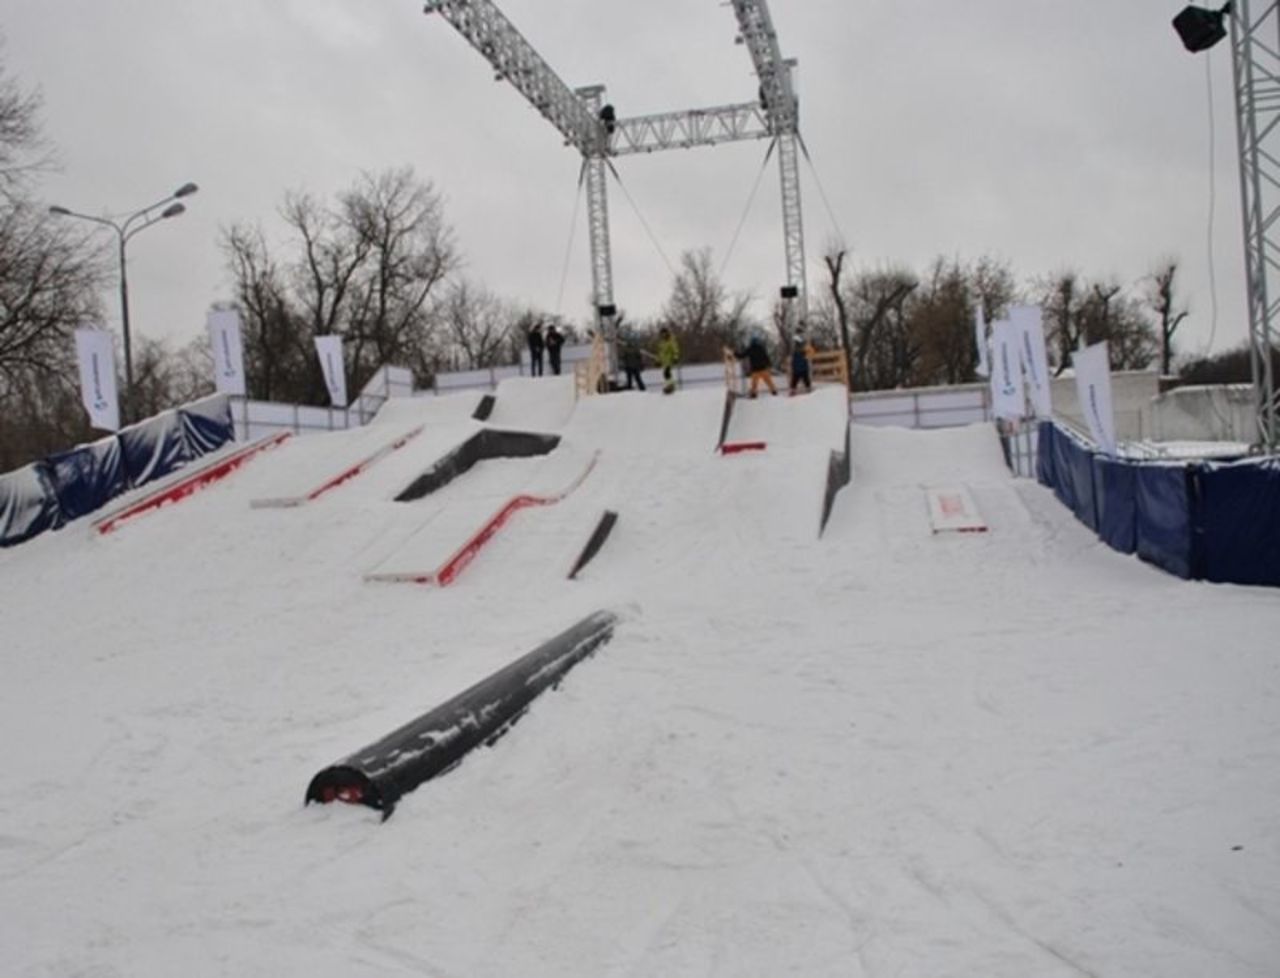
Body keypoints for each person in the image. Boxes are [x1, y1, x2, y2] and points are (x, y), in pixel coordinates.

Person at [729, 332, 778, 397]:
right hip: (762, 368)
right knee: (767, 381)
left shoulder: (751, 349)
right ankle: (773, 391)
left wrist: (735, 353)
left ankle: (754, 393)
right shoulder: (760, 348)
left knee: (755, 383)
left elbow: (742, 355)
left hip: (756, 369)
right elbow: (766, 357)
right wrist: (768, 364)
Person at [789, 331, 815, 396]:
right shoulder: (799, 350)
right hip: (801, 367)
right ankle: (805, 388)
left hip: (800, 367)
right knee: (801, 379)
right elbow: (811, 352)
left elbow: (811, 352)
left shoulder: (801, 349)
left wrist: (807, 356)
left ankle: (794, 390)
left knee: (797, 380)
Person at [657, 327, 680, 394]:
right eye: (661, 334)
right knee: (665, 374)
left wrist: (676, 357)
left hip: (670, 359)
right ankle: (669, 385)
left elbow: (675, 349)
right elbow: (660, 353)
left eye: (664, 333)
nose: (663, 335)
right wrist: (658, 361)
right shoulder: (661, 343)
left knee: (667, 372)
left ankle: (671, 385)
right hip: (664, 361)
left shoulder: (671, 340)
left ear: (667, 333)